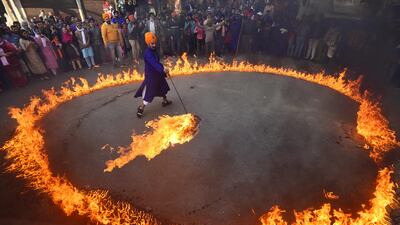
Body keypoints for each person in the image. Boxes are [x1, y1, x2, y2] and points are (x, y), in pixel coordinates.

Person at [134, 32, 172, 118]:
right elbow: (154, 63)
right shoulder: (148, 53)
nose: (154, 45)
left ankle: (165, 101)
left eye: (155, 43)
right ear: (148, 43)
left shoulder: (153, 50)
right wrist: (163, 69)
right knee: (149, 92)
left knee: (163, 87)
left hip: (158, 74)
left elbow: (157, 62)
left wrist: (163, 68)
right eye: (152, 44)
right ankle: (141, 108)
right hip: (152, 76)